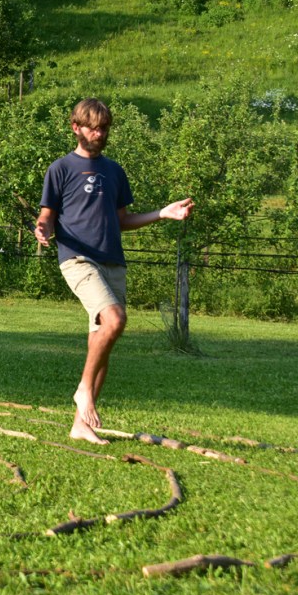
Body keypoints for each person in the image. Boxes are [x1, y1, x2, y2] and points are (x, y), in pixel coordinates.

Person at [34, 98, 193, 444]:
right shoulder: (60, 168)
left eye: (104, 128)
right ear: (76, 128)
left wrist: (162, 214)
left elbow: (122, 220)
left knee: (102, 339)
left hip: (112, 261)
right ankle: (83, 390)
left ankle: (80, 425)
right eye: (93, 128)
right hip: (77, 258)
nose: (100, 134)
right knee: (116, 320)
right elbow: (47, 214)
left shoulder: (114, 171)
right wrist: (42, 228)